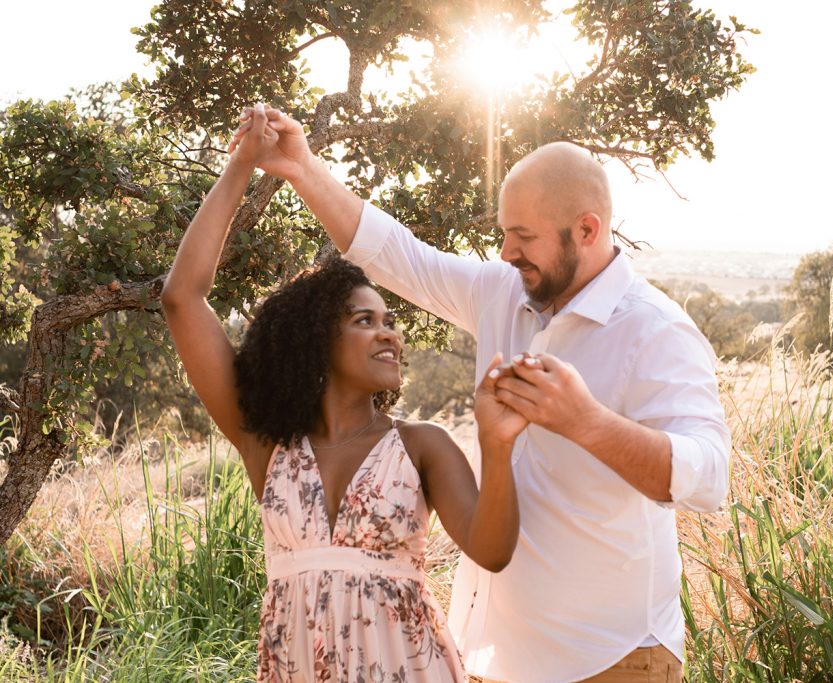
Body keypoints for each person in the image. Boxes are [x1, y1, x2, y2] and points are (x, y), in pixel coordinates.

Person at [230, 104, 731, 683]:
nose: (506, 252)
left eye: (523, 236)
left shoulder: (655, 330)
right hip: (496, 660)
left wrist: (585, 421)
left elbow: (710, 477)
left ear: (587, 230)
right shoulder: (503, 292)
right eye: (503, 233)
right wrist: (302, 168)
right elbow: (398, 256)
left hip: (612, 659)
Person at [161, 103, 526, 683]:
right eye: (364, 320)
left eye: (389, 320)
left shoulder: (421, 447)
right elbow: (182, 298)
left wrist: (498, 445)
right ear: (315, 339)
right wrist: (243, 165)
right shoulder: (269, 447)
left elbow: (493, 550)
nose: (389, 333)